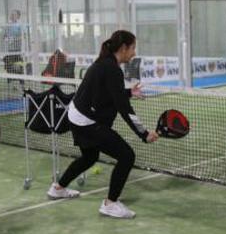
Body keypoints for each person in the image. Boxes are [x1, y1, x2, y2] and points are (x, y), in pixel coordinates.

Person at [49, 30, 158, 218]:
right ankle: (110, 203)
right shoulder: (111, 68)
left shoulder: (106, 63)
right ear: (123, 48)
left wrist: (130, 93)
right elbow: (123, 108)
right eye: (132, 48)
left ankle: (58, 188)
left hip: (76, 115)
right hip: (86, 121)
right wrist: (144, 134)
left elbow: (108, 94)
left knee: (90, 157)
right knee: (127, 156)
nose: (133, 53)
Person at [2, 10, 25, 75]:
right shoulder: (8, 25)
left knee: (18, 63)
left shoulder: (20, 25)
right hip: (10, 49)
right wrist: (7, 39)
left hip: (18, 48)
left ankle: (21, 80)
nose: (12, 16)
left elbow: (23, 36)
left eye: (14, 15)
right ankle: (11, 79)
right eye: (11, 14)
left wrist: (15, 39)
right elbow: (4, 36)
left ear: (18, 16)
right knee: (10, 64)